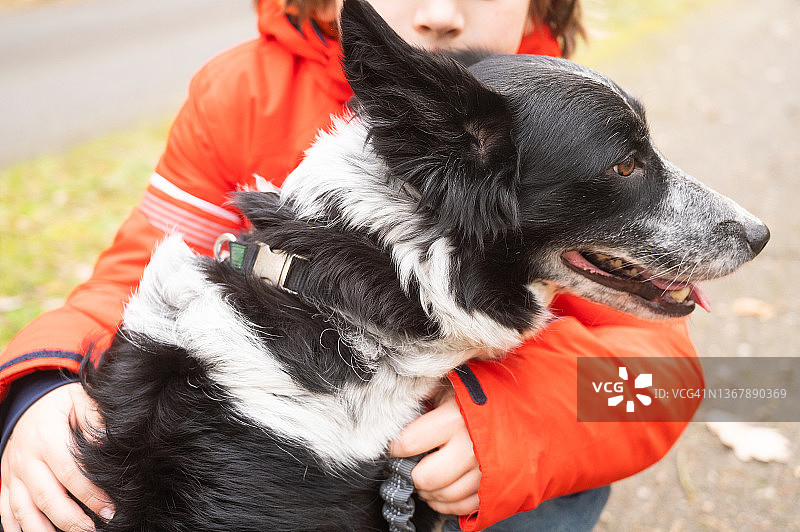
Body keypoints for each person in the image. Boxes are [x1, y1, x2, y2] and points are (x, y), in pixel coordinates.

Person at [0, 1, 704, 531]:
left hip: (452, 466)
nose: (440, 15)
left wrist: (523, 420)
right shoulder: (241, 98)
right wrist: (40, 386)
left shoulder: (572, 142)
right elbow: (132, 279)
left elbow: (674, 381)